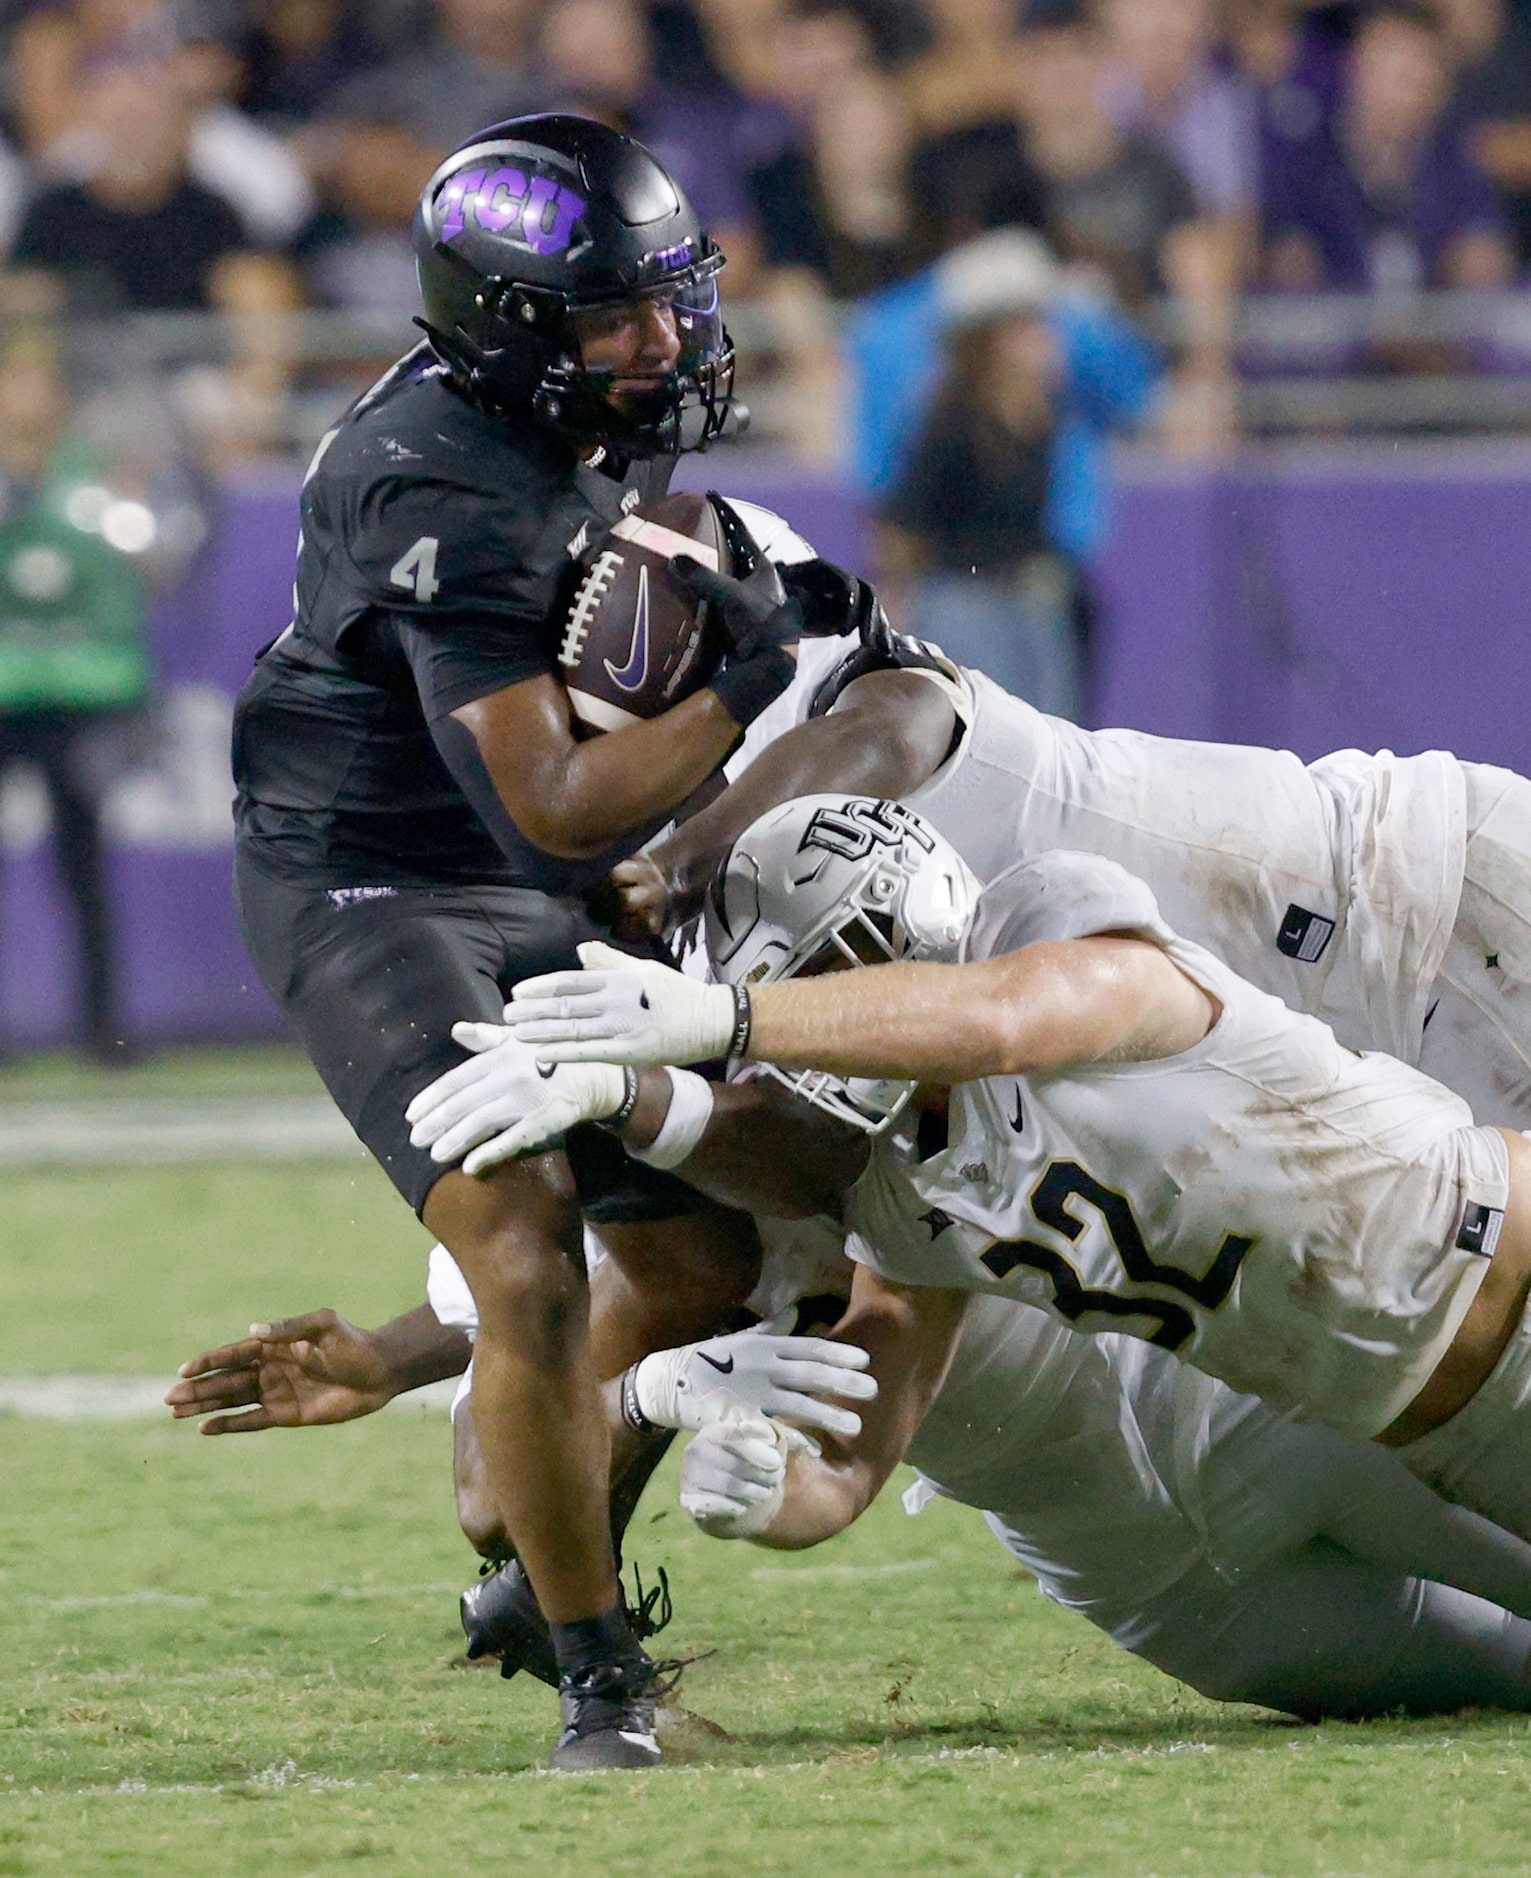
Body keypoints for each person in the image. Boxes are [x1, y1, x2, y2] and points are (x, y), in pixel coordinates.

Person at [227, 112, 837, 1773]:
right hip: (371, 875)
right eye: (616, 318)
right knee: (521, 1251)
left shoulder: (574, 420)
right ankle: (596, 1683)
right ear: (512, 335)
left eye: (668, 301)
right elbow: (553, 805)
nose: (662, 343)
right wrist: (738, 681)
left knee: (706, 1262)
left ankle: (524, 1563)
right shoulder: (429, 477)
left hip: (503, 850)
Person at [439, 794, 1531, 1547]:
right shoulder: (897, 1205)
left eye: (814, 985)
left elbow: (1005, 1019)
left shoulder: (1053, 924)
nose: (788, 1049)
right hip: (1442, 1435)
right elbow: (855, 1462)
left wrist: (728, 1015)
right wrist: (767, 1486)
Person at [170, 1219, 1531, 1722]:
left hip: (1225, 1405)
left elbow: (893, 1310)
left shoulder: (835, 1059)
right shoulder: (562, 1138)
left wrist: (739, 1445)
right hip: (1135, 1575)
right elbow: (501, 1436)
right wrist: (407, 1355)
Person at [0, 320, 153, 1058]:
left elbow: (141, 568)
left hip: (81, 692)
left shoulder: (93, 474)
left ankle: (103, 1029)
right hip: (7, 689)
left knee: (84, 867)